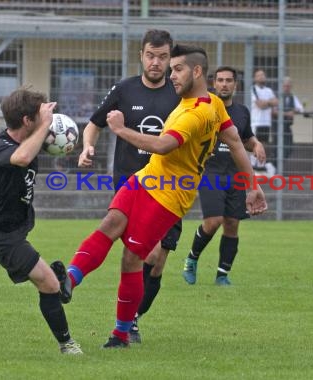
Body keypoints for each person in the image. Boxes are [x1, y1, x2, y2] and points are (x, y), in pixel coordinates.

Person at [61, 44, 267, 348]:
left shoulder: (195, 114)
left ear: (197, 72)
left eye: (177, 69)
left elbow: (162, 146)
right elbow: (235, 141)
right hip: (144, 180)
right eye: (171, 69)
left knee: (132, 260)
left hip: (168, 197)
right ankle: (68, 280)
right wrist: (253, 185)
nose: (171, 75)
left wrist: (120, 129)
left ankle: (121, 333)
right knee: (109, 223)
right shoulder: (213, 103)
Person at [77, 29, 180, 344]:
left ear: (170, 59)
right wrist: (87, 147)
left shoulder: (179, 95)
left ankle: (131, 318)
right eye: (151, 55)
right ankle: (127, 323)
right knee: (142, 254)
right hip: (129, 186)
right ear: (141, 55)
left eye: (163, 57)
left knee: (158, 260)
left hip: (169, 187)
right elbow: (94, 124)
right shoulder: (124, 90)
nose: (156, 62)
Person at [0, 87, 82, 354]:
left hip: (12, 222)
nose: (46, 122)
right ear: (27, 121)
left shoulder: (25, 139)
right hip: (2, 235)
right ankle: (68, 345)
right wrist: (46, 125)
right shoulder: (1, 145)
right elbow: (21, 158)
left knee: (49, 283)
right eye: (39, 117)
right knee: (48, 284)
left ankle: (61, 289)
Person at [182, 66, 266, 286]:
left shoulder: (242, 112)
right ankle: (192, 258)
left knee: (231, 224)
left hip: (235, 174)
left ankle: (222, 275)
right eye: (220, 80)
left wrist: (256, 144)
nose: (224, 84)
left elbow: (245, 139)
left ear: (235, 85)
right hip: (209, 172)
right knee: (214, 221)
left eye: (229, 80)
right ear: (214, 83)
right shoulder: (203, 108)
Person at [251, 68, 279, 175]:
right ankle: (253, 166)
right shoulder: (253, 89)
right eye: (259, 75)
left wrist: (266, 102)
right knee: (255, 144)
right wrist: (269, 103)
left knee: (264, 145)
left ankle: (260, 166)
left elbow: (276, 102)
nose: (261, 77)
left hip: (266, 122)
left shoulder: (269, 91)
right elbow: (260, 105)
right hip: (256, 122)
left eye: (263, 75)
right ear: (255, 78)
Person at [281, 76, 304, 159]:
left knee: (289, 147)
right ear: (282, 86)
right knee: (278, 148)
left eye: (288, 86)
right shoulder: (277, 97)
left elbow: (300, 109)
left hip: (287, 126)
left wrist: (293, 111)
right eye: (285, 86)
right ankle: (276, 166)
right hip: (278, 127)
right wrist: (287, 114)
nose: (287, 88)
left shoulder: (292, 97)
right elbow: (274, 111)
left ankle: (280, 164)